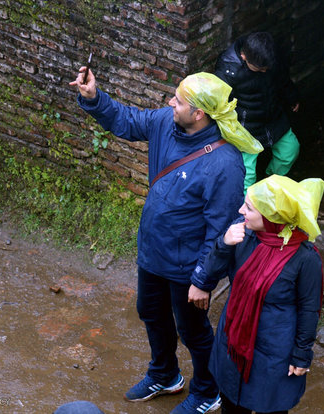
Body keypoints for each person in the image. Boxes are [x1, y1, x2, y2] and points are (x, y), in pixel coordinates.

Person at [69, 68, 262, 414]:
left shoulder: (225, 163)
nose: (170, 102)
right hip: (153, 251)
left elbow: (220, 228)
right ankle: (165, 374)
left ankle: (207, 390)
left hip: (187, 265)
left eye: (179, 100)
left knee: (193, 330)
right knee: (150, 311)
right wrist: (94, 99)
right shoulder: (165, 123)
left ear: (199, 113)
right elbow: (127, 120)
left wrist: (203, 280)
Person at [189, 175, 324, 413]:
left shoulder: (305, 258)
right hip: (233, 341)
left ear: (271, 217)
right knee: (231, 404)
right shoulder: (243, 234)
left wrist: (301, 355)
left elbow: (309, 309)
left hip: (274, 353)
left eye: (249, 208)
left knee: (270, 407)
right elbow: (211, 272)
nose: (241, 210)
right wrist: (223, 244)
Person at [215, 32, 301, 191]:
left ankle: (269, 184)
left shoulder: (269, 58)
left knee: (290, 150)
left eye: (266, 68)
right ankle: (247, 210)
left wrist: (292, 97)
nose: (264, 71)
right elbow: (219, 102)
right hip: (246, 128)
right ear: (243, 56)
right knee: (247, 175)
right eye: (259, 69)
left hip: (272, 118)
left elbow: (282, 79)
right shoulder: (229, 70)